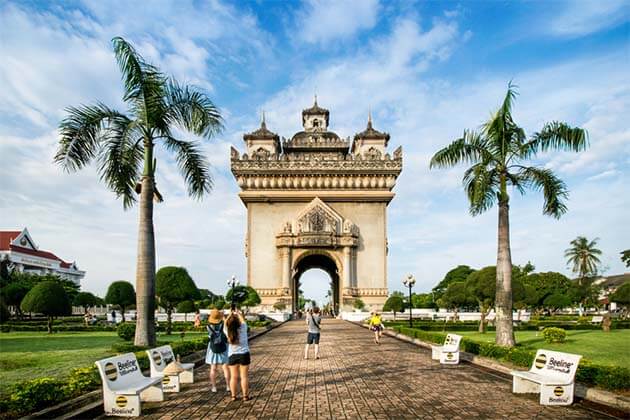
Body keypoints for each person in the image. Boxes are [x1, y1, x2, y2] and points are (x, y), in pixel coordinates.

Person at [225, 308, 250, 401]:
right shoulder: (243, 328)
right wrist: (238, 313)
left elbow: (225, 323)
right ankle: (245, 396)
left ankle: (233, 396)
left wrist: (229, 315)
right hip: (244, 354)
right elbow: (243, 320)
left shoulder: (228, 331)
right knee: (244, 376)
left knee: (233, 377)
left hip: (232, 355)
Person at [206, 309, 230, 393]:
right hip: (223, 346)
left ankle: (214, 387)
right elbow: (227, 334)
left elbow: (210, 336)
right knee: (225, 368)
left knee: (213, 368)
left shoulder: (208, 326)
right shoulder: (223, 324)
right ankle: (228, 386)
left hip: (213, 348)